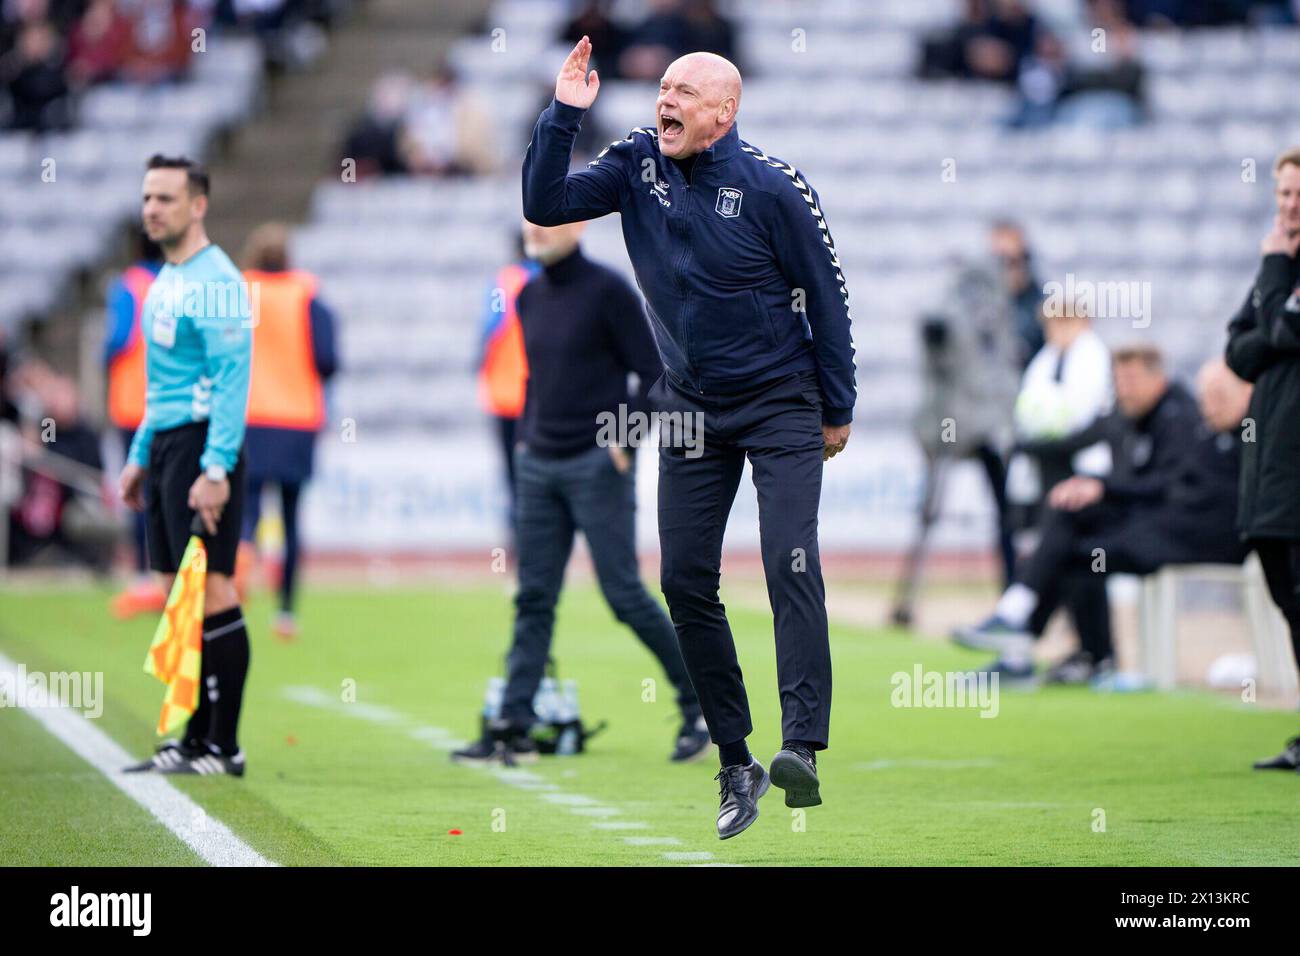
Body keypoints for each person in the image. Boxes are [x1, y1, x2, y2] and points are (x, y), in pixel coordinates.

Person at [524, 38, 856, 839]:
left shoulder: (774, 186)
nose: (663, 100)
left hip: (781, 400)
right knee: (682, 580)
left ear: (723, 111)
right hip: (691, 409)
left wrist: (837, 408)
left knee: (789, 558)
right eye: (661, 87)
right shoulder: (637, 163)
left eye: (682, 91)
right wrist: (564, 112)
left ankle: (802, 746)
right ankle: (735, 760)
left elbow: (830, 297)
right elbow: (545, 202)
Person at [453, 219, 708, 766]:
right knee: (534, 597)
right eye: (529, 221)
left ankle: (701, 706)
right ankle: (514, 725)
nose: (534, 230)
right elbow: (532, 381)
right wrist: (524, 443)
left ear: (579, 225)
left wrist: (623, 442)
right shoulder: (527, 295)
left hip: (597, 465)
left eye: (547, 221)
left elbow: (656, 375)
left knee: (624, 595)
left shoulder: (609, 291)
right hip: (538, 465)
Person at [955, 348, 1249, 683]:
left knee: (1078, 548)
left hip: (1190, 537)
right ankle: (1038, 633)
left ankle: (1039, 637)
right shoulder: (1147, 419)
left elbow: (1175, 489)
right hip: (1163, 528)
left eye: (1132, 380)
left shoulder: (1192, 422)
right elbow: (1089, 447)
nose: (1124, 389)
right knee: (1072, 523)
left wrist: (1104, 488)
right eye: (1119, 380)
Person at [119, 155, 253, 777]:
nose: (152, 209)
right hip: (171, 446)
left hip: (204, 447)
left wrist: (217, 467)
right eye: (148, 197)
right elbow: (162, 385)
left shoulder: (217, 280)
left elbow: (230, 380)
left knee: (215, 589)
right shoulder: (165, 279)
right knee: (185, 595)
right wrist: (140, 454)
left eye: (166, 198)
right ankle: (194, 734)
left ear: (197, 205)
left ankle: (225, 746)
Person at [1224, 145, 1300, 773]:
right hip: (1272, 464)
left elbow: (1277, 332)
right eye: (1283, 194)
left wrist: (1276, 271)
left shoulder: (1278, 264)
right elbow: (1239, 350)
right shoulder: (1277, 267)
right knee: (1288, 597)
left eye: (1299, 195)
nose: (1290, 206)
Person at [237, 222, 338, 641]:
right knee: (293, 519)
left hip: (249, 417)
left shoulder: (239, 292)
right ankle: (286, 613)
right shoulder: (308, 295)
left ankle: (238, 583)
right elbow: (328, 359)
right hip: (297, 419)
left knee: (245, 514)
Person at [104, 232, 166, 619]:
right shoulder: (180, 285)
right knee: (168, 490)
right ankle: (169, 578)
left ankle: (144, 579)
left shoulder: (130, 285)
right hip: (174, 403)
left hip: (134, 403)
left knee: (136, 490)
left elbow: (117, 340)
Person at [475, 230, 539, 545]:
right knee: (541, 475)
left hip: (504, 397)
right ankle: (544, 544)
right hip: (541, 397)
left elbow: (490, 329)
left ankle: (519, 546)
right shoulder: (549, 281)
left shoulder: (505, 282)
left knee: (513, 478)